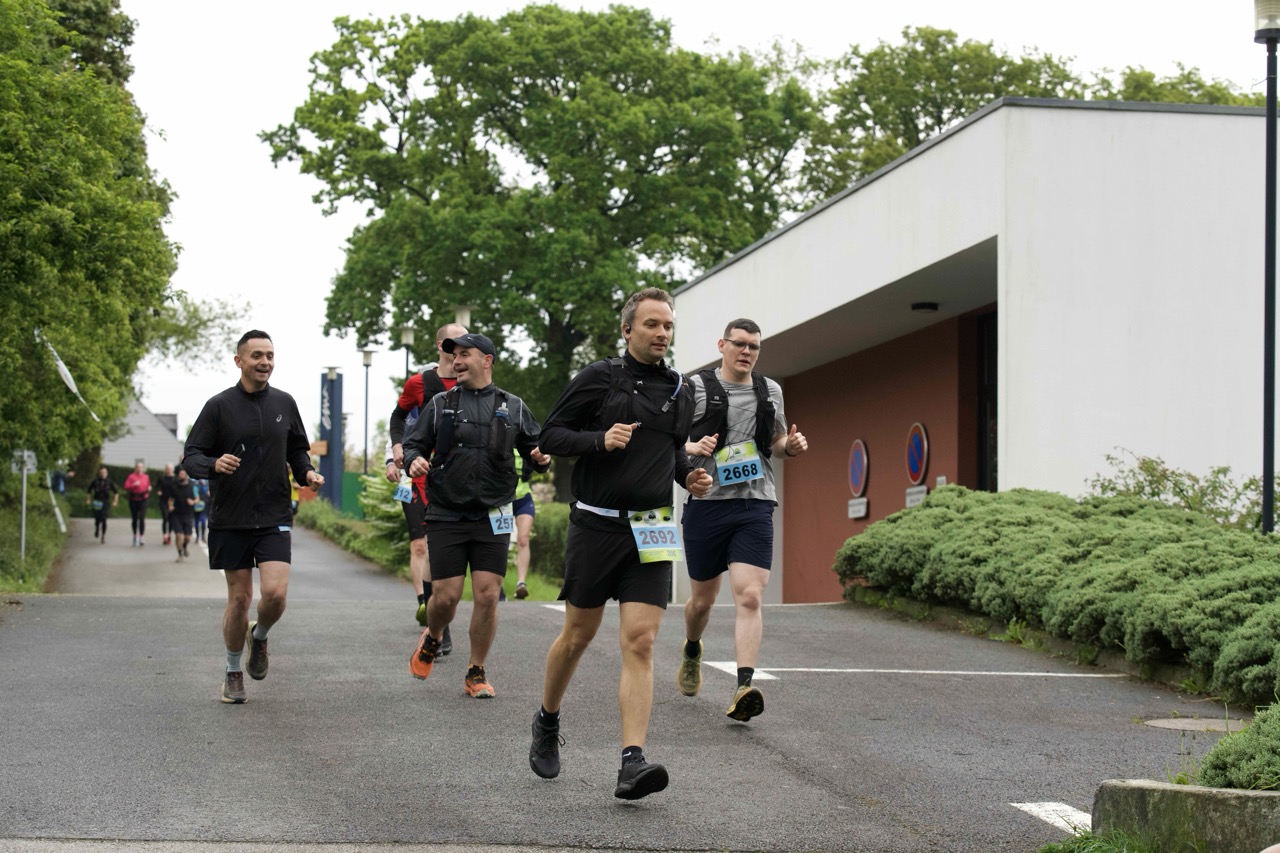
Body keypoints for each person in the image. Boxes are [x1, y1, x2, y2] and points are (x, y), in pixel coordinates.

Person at [528, 287, 712, 801]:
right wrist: (599, 440)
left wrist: (690, 476)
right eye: (652, 324)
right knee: (577, 636)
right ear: (628, 329)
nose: (661, 333)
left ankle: (632, 762)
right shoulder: (599, 377)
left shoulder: (681, 389)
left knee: (642, 640)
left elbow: (673, 452)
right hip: (596, 525)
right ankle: (547, 719)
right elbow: (550, 436)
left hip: (653, 528)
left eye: (668, 325)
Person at [402, 332, 549, 698]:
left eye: (465, 354)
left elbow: (535, 448)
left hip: (493, 513)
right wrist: (413, 459)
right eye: (454, 355)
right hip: (446, 512)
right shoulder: (440, 404)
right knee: (446, 598)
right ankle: (433, 634)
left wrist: (541, 458)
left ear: (487, 360)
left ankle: (476, 670)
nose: (457, 361)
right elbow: (414, 444)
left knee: (487, 595)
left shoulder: (513, 406)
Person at [677, 318, 809, 723]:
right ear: (722, 345)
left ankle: (744, 687)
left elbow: (775, 443)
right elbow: (669, 439)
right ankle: (692, 648)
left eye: (754, 346)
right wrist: (691, 448)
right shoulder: (695, 387)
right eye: (739, 344)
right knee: (702, 601)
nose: (746, 352)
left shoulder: (770, 391)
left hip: (755, 502)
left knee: (750, 596)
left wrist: (791, 446)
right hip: (707, 503)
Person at [182, 330, 324, 705]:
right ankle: (232, 672)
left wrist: (307, 473)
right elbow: (191, 457)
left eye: (270, 356)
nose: (265, 362)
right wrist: (214, 464)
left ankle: (258, 637)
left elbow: (297, 450)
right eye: (257, 355)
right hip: (231, 517)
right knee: (240, 599)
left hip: (275, 513)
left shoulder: (284, 403)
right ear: (239, 361)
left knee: (275, 595)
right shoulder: (219, 406)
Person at [386, 322, 467, 639]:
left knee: (440, 550)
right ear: (439, 345)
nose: (458, 350)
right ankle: (431, 612)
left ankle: (437, 614)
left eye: (465, 344)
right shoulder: (421, 382)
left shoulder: (473, 382)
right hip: (419, 477)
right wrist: (397, 447)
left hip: (458, 479)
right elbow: (398, 415)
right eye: (452, 343)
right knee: (423, 546)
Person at [511, 449, 535, 599]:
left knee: (523, 540)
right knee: (500, 542)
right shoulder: (501, 440)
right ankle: (497, 585)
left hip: (524, 498)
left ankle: (521, 583)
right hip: (503, 499)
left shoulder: (526, 443)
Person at [168, 466, 199, 562]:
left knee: (188, 537)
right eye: (180, 474)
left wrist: (193, 502)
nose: (181, 475)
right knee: (178, 535)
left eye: (183, 474)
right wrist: (170, 506)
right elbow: (170, 499)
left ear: (186, 475)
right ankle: (179, 554)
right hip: (176, 514)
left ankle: (184, 546)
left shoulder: (192, 486)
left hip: (188, 514)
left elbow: (197, 498)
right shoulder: (174, 486)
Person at [85, 466, 118, 543]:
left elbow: (116, 492)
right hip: (97, 501)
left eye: (104, 473)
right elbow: (89, 491)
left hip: (105, 501)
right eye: (101, 473)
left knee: (104, 519)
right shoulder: (95, 481)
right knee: (97, 518)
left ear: (107, 473)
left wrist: (115, 501)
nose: (103, 474)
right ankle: (97, 528)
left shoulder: (109, 481)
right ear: (99, 473)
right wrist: (88, 499)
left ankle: (103, 536)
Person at [122, 462, 151, 547]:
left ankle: (141, 537)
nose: (139, 469)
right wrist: (133, 485)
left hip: (143, 499)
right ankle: (135, 536)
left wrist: (149, 488)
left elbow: (148, 485)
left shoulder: (146, 476)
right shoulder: (131, 476)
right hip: (134, 499)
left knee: (142, 518)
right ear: (135, 468)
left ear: (143, 468)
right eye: (138, 467)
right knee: (134, 518)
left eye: (141, 467)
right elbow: (126, 486)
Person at [157, 463, 177, 545]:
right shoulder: (161, 477)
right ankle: (164, 535)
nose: (168, 470)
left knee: (171, 518)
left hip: (172, 500)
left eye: (170, 469)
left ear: (172, 470)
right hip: (163, 500)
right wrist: (158, 491)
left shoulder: (175, 479)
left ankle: (169, 535)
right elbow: (157, 486)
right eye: (167, 469)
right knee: (165, 517)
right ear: (165, 469)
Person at [193, 478, 211, 543]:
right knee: (196, 521)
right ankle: (197, 537)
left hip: (204, 504)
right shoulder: (194, 482)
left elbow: (209, 493)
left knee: (203, 520)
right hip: (196, 504)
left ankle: (203, 536)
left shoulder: (207, 482)